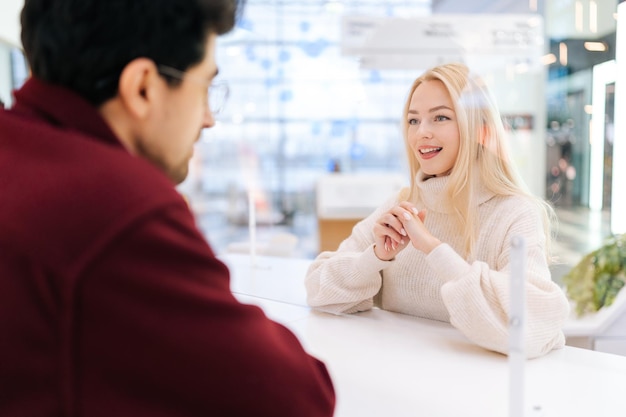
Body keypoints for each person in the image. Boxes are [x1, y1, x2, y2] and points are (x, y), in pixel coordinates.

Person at [0, 1, 335, 416]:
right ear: (143, 87)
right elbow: (296, 398)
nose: (209, 119)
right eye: (204, 89)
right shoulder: (115, 205)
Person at [305, 63, 570, 359]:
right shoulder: (402, 203)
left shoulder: (515, 213)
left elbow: (531, 325)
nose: (422, 134)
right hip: (401, 383)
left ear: (477, 129)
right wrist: (376, 257)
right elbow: (319, 290)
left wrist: (433, 249)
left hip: (481, 392)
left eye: (440, 117)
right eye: (413, 121)